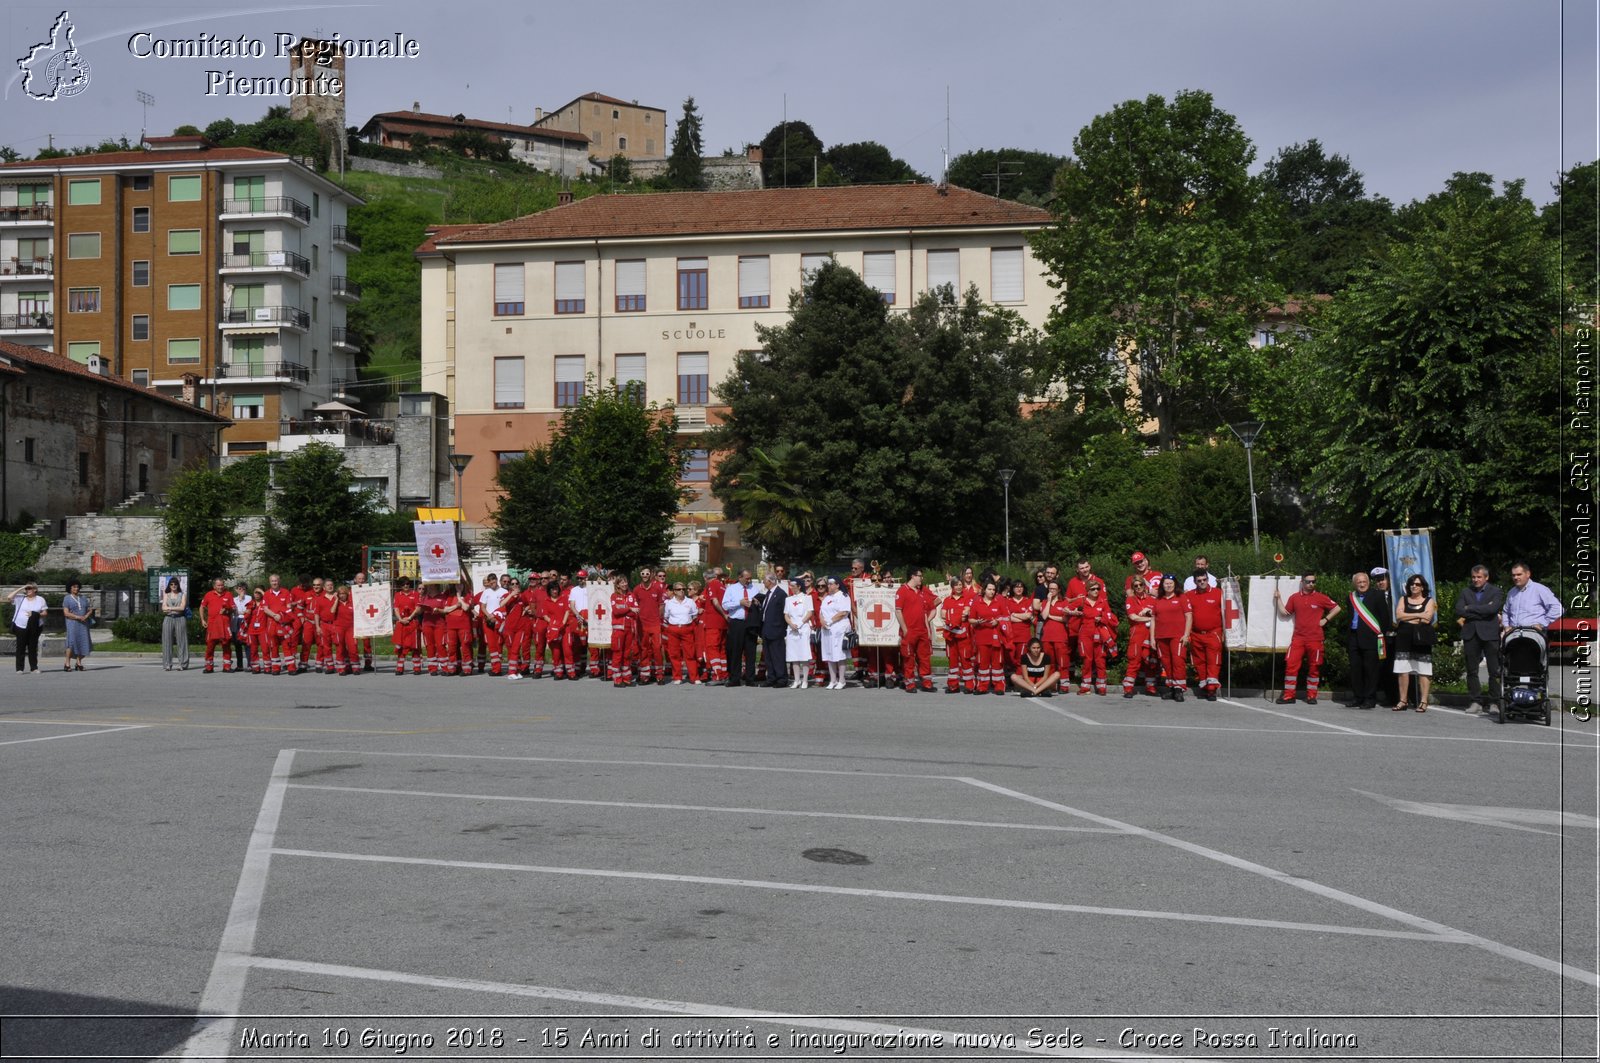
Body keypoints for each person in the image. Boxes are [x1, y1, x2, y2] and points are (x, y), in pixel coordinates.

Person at [1274, 573, 1340, 704]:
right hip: (1298, 638)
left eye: (1313, 582)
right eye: (1308, 582)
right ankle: (1288, 696)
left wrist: (1325, 620)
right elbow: (1285, 613)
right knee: (1291, 665)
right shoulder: (1295, 597)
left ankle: (1311, 696)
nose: (1311, 584)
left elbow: (1337, 608)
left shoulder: (1321, 597)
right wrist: (1278, 599)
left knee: (1314, 667)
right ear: (1302, 582)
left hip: (1315, 638)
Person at [1455, 564, 1505, 713]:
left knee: (1494, 670)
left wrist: (1469, 608)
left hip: (1490, 635)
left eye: (1479, 577)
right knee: (1472, 670)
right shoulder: (1465, 591)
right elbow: (1458, 610)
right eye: (1473, 577)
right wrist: (1483, 610)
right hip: (1471, 634)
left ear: (1486, 577)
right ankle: (1475, 701)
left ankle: (1494, 702)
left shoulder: (1496, 591)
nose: (1475, 580)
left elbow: (1493, 609)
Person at [1393, 573, 1438, 712]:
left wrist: (1408, 616)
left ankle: (1423, 701)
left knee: (1423, 669)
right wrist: (1418, 614)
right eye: (1412, 583)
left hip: (1421, 637)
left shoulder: (1430, 601)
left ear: (1422, 586)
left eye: (1417, 584)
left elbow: (1427, 618)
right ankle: (1403, 700)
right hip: (1403, 636)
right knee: (1402, 669)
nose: (1414, 586)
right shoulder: (1403, 599)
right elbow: (1398, 616)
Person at [1344, 571, 1387, 710]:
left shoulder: (1377, 595)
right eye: (1359, 582)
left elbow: (1384, 617)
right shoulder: (1351, 597)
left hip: (1371, 638)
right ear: (1354, 584)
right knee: (1355, 669)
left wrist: (1381, 634)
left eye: (1364, 582)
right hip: (1354, 637)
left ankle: (1369, 699)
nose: (1362, 584)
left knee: (1370, 670)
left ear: (1368, 583)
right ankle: (1358, 697)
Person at [1183, 571, 1225, 701]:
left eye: (1204, 580)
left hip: (1213, 633)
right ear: (1195, 582)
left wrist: (1225, 633)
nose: (1202, 582)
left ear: (1208, 580)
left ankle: (1212, 689)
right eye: (1199, 580)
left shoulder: (1218, 593)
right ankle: (1204, 686)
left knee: (1214, 661)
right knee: (1199, 662)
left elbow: (1226, 614)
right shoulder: (1189, 595)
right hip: (1196, 634)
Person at [895, 568, 936, 692]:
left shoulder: (921, 592)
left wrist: (927, 628)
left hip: (922, 630)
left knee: (924, 657)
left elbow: (927, 611)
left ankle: (926, 683)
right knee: (908, 658)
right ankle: (910, 684)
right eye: (920, 576)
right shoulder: (902, 591)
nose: (921, 578)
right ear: (913, 576)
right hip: (909, 631)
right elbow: (898, 611)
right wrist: (905, 629)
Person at [1150, 575, 1189, 701]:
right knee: (1166, 663)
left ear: (1175, 584)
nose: (1168, 585)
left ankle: (1179, 689)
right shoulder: (1158, 599)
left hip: (1178, 636)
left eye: (1171, 583)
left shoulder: (1181, 597)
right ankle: (1171, 687)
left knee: (1178, 662)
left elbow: (1189, 616)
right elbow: (1153, 619)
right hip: (1161, 637)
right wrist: (1152, 638)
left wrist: (1186, 634)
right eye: (1166, 583)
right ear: (1162, 585)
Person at [1074, 581, 1116, 695]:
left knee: (1100, 660)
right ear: (1087, 591)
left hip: (1099, 634)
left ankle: (1102, 686)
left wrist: (1101, 618)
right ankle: (1085, 686)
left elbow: (1111, 618)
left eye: (1098, 588)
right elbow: (1068, 609)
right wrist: (1074, 612)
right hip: (1085, 634)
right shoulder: (1081, 601)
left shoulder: (1103, 602)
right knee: (1087, 660)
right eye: (1093, 589)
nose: (1096, 591)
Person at [968, 580, 1007, 695]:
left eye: (994, 590)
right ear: (984, 590)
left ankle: (999, 686)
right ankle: (982, 686)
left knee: (997, 664)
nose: (992, 592)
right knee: (983, 663)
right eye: (989, 589)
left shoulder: (999, 602)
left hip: (996, 638)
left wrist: (997, 621)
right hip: (982, 638)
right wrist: (977, 621)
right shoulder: (977, 602)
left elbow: (1006, 617)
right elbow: (971, 619)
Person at [1121, 575, 1159, 698]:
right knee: (1134, 659)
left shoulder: (1153, 600)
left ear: (1144, 585)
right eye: (1135, 586)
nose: (1138, 587)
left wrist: (1150, 613)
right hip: (1137, 632)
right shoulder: (1130, 600)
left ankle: (1150, 686)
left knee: (1150, 660)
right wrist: (1150, 617)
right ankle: (1128, 687)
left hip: (1150, 633)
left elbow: (1159, 616)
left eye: (1140, 585)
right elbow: (1133, 617)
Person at [1501, 561, 1564, 633]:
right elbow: (1506, 612)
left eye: (1519, 574)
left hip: (1533, 633)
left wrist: (1542, 624)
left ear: (1528, 574)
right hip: (1514, 633)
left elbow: (1558, 608)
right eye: (1513, 575)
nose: (1515, 577)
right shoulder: (1511, 592)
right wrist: (1506, 626)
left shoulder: (1540, 589)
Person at [722, 570, 758, 687]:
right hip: (737, 622)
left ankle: (750, 678)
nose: (749, 580)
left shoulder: (754, 588)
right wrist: (739, 602)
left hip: (751, 621)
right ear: (740, 577)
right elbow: (725, 605)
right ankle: (734, 678)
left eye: (750, 578)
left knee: (751, 651)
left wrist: (757, 602)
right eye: (747, 578)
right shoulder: (731, 589)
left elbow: (761, 602)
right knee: (735, 651)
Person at [939, 578, 973, 693]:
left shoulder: (967, 598)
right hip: (950, 636)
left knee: (965, 660)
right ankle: (953, 686)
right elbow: (942, 614)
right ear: (952, 587)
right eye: (956, 585)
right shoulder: (947, 600)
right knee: (952, 661)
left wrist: (952, 614)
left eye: (960, 585)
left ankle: (969, 686)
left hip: (963, 635)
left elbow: (966, 613)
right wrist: (956, 614)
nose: (959, 587)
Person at [663, 580, 701, 684]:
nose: (682, 591)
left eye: (683, 589)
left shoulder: (690, 602)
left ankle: (694, 677)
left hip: (687, 628)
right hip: (673, 629)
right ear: (674, 591)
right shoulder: (669, 603)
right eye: (679, 589)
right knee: (674, 654)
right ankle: (677, 677)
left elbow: (695, 614)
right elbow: (666, 616)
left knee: (690, 654)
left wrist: (687, 623)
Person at [819, 577, 853, 689]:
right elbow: (821, 612)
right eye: (828, 584)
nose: (828, 586)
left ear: (837, 585)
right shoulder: (827, 597)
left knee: (839, 654)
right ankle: (833, 680)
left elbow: (843, 612)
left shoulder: (843, 596)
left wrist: (830, 621)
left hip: (839, 628)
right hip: (827, 629)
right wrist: (822, 621)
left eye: (830, 584)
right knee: (829, 653)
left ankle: (842, 679)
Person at [608, 574, 639, 687]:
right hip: (619, 629)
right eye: (622, 582)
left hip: (630, 628)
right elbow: (616, 611)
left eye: (625, 581)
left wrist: (625, 609)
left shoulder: (631, 595)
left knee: (627, 655)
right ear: (617, 585)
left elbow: (636, 612)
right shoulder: (614, 596)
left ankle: (627, 678)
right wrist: (629, 608)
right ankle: (617, 679)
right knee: (617, 654)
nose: (625, 584)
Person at [758, 573, 788, 688]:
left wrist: (782, 628)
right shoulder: (768, 594)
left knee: (778, 655)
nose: (763, 583)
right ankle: (771, 678)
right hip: (766, 629)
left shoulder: (780, 594)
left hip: (776, 629)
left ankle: (781, 678)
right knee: (768, 656)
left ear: (770, 581)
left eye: (764, 580)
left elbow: (784, 613)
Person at [200, 578, 236, 674]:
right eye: (218, 585)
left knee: (226, 645)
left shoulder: (228, 594)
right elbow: (202, 607)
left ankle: (227, 666)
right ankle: (209, 667)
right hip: (212, 625)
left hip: (224, 624)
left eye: (222, 585)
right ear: (214, 586)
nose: (220, 587)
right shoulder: (208, 594)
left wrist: (227, 610)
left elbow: (233, 609)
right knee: (210, 646)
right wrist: (203, 619)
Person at [782, 580, 814, 688]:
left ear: (799, 586)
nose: (791, 588)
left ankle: (805, 680)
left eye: (793, 586)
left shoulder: (806, 597)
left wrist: (800, 623)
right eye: (791, 586)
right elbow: (786, 614)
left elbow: (810, 612)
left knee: (804, 655)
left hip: (803, 628)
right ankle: (796, 680)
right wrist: (791, 624)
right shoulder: (788, 599)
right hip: (792, 629)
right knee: (793, 655)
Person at [9, 583, 47, 673]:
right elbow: (9, 597)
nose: (28, 590)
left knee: (33, 647)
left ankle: (34, 667)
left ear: (35, 590)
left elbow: (45, 613)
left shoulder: (40, 599)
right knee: (20, 647)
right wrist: (22, 587)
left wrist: (35, 614)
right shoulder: (20, 598)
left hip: (35, 626)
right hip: (21, 625)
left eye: (30, 588)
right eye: (27, 589)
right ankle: (19, 668)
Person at [392, 577, 423, 676]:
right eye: (403, 584)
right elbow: (396, 608)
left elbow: (417, 608)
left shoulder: (415, 594)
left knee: (415, 646)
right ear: (400, 586)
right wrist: (400, 619)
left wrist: (409, 617)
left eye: (407, 584)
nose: (406, 586)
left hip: (412, 623)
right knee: (401, 647)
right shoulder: (397, 595)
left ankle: (417, 667)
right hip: (401, 623)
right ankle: (400, 667)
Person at [61, 579, 93, 672]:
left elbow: (90, 609)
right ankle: (67, 663)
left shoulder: (83, 598)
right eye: (74, 587)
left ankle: (78, 662)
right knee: (71, 643)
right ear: (70, 588)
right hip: (72, 623)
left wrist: (86, 616)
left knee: (84, 642)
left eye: (77, 587)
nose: (76, 588)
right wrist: (78, 617)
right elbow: (66, 613)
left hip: (83, 624)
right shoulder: (67, 598)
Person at [160, 576, 189, 671]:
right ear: (169, 585)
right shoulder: (166, 595)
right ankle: (167, 664)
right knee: (167, 642)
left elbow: (182, 608)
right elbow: (163, 608)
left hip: (180, 618)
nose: (174, 586)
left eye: (175, 584)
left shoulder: (182, 595)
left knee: (182, 641)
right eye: (172, 584)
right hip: (168, 619)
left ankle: (183, 664)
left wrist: (170, 608)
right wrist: (170, 608)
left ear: (178, 585)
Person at [229, 582, 252, 672]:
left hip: (244, 622)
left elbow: (247, 611)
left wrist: (242, 599)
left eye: (243, 588)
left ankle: (250, 664)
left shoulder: (249, 598)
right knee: (237, 644)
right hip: (235, 622)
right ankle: (239, 665)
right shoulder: (233, 599)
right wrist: (241, 611)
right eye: (239, 588)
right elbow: (234, 611)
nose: (241, 590)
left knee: (247, 644)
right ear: (236, 590)